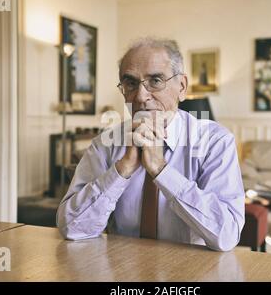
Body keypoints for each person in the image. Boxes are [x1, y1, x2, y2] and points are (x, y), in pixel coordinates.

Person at [56, 37, 245, 251]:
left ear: (181, 87)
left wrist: (161, 170)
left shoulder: (215, 142)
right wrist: (121, 170)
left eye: (155, 81)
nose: (141, 96)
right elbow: (71, 228)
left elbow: (227, 235)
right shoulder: (105, 144)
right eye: (130, 83)